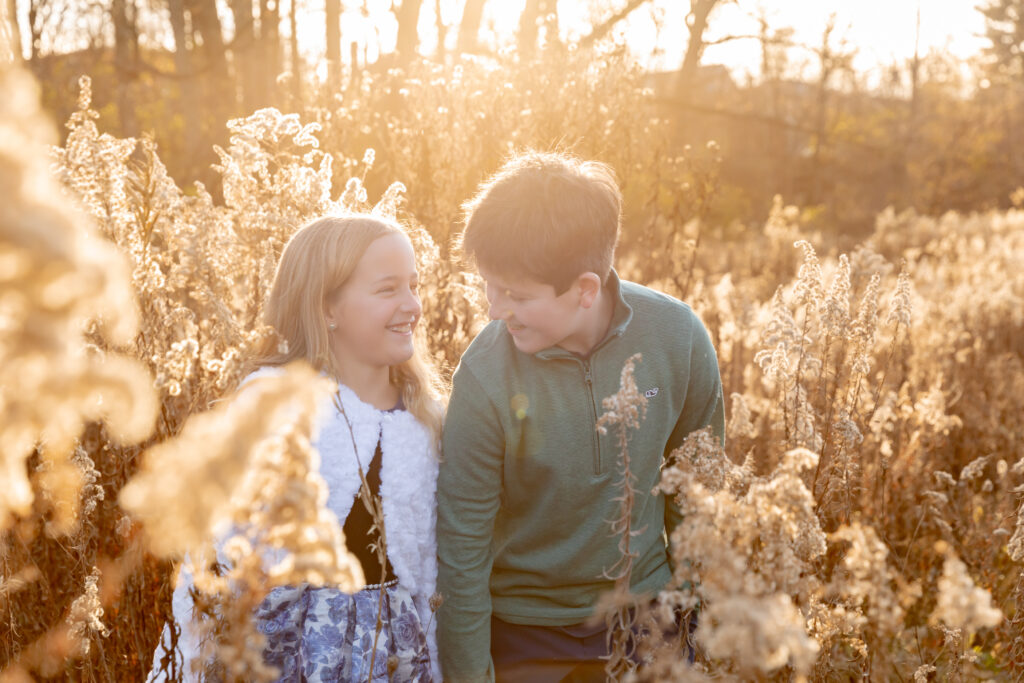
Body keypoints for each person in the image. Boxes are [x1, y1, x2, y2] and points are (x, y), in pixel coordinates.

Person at [436, 151, 725, 682]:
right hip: (524, 630)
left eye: (516, 295)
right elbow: (463, 545)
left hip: (648, 620)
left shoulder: (678, 337)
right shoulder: (484, 374)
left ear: (585, 289)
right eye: (489, 286)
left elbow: (697, 495)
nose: (495, 310)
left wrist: (691, 622)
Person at [150, 215, 444, 682]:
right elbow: (220, 564)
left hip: (396, 663)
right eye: (388, 290)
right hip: (290, 658)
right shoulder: (276, 404)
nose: (411, 305)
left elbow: (432, 569)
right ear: (327, 307)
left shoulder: (425, 420)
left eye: (414, 285)